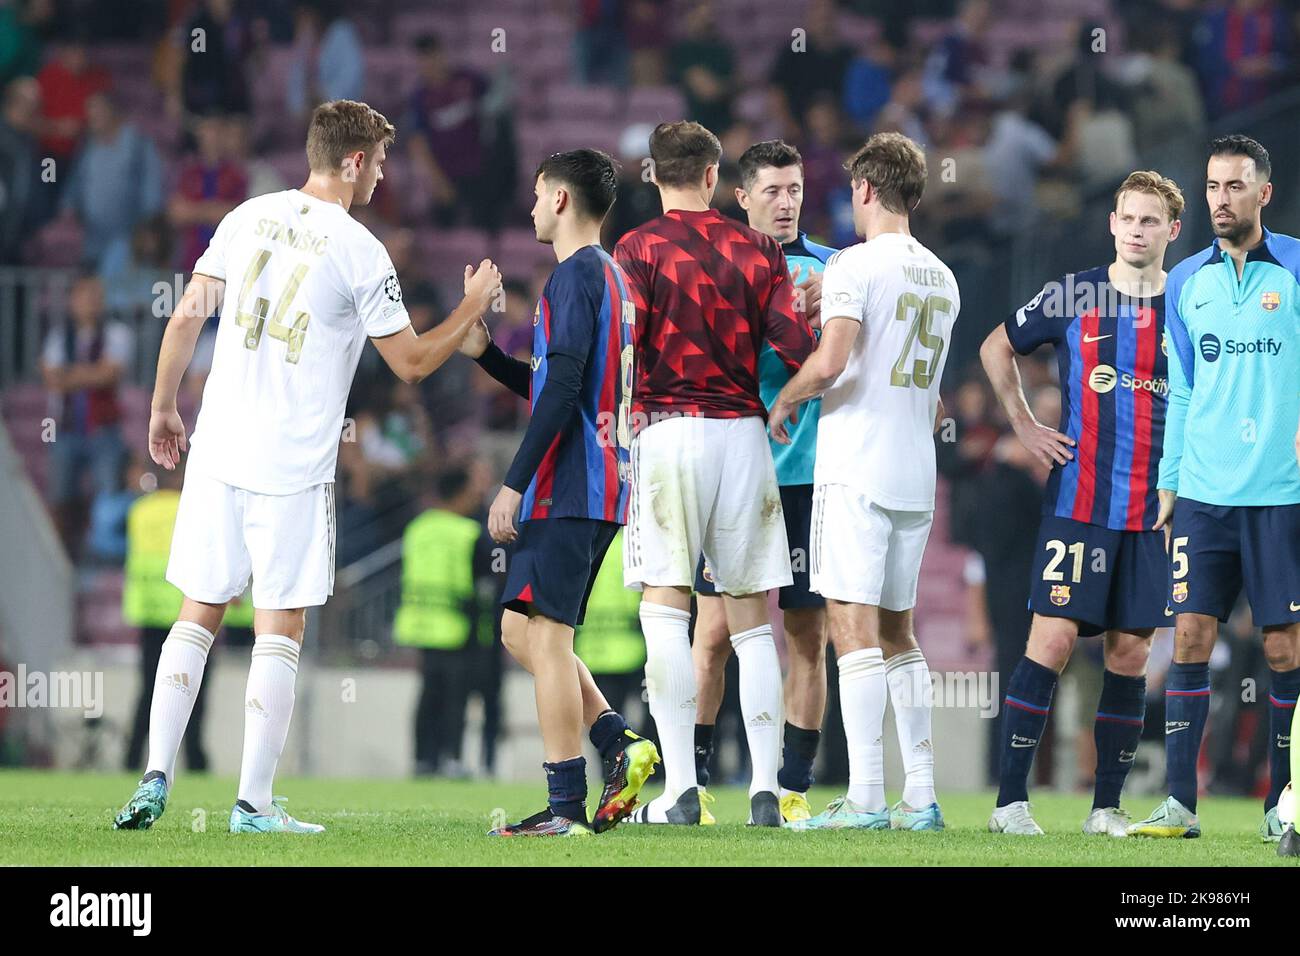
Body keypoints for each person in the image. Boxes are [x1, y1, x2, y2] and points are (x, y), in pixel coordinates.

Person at [113, 99, 501, 834]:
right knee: (279, 626)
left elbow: (186, 315)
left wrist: (164, 408)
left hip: (218, 449)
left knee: (197, 610)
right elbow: (413, 362)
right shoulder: (359, 250)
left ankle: (152, 777)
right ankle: (253, 804)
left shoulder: (245, 216)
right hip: (290, 464)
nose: (383, 175)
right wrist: (472, 304)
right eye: (380, 162)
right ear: (353, 161)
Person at [615, 121, 816, 826]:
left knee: (666, 610)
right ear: (711, 177)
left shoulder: (635, 249)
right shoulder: (760, 251)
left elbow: (625, 351)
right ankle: (766, 789)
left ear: (655, 175)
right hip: (744, 435)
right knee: (751, 622)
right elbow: (797, 351)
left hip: (667, 434)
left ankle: (680, 791)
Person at [458, 148, 660, 837]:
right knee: (521, 629)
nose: (534, 207)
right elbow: (557, 385)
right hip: (597, 480)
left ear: (563, 199)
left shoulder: (574, 277)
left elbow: (566, 388)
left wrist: (512, 484)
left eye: (540, 195)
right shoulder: (613, 280)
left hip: (570, 485)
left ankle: (567, 807)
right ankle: (618, 745)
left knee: (544, 637)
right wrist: (488, 355)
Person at [979, 170, 1186, 836]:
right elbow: (995, 345)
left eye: (1150, 221)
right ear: (1112, 224)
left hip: (1150, 516)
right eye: (1127, 218)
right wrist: (1022, 424)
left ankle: (1106, 809)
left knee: (1129, 656)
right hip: (1079, 505)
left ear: (1172, 231)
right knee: (1054, 639)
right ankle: (1011, 803)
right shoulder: (1076, 293)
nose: (1135, 230)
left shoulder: (1186, 305)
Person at [769, 131, 958, 832]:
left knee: (850, 631)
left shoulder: (852, 263)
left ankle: (868, 798)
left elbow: (831, 363)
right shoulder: (943, 274)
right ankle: (922, 797)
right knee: (898, 633)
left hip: (855, 469)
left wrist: (785, 399)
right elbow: (934, 397)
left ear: (868, 190)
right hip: (914, 472)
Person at [1131, 135, 1300, 842]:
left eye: (1234, 186)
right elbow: (1185, 390)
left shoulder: (1295, 267)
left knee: (1285, 649)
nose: (1220, 199)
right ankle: (1179, 804)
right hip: (1203, 493)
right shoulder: (1185, 283)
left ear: (1263, 192)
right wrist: (1169, 486)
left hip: (1280, 491)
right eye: (1210, 186)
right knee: (1191, 635)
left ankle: (1281, 804)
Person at [690, 140, 833, 825]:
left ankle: (794, 787)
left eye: (795, 188)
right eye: (772, 190)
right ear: (740, 197)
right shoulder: (716, 267)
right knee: (714, 631)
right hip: (735, 474)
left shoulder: (837, 271)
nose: (786, 201)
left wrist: (828, 312)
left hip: (810, 481)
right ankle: (693, 785)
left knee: (808, 633)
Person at [393, 465, 495, 777]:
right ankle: (451, 759)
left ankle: (423, 759)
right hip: (456, 625)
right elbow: (484, 581)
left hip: (420, 622)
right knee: (455, 697)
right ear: (461, 493)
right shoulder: (467, 532)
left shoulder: (418, 527)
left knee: (427, 694)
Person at [40, 273, 132, 558]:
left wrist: (72, 375)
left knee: (108, 497)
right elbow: (52, 380)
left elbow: (110, 375)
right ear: (72, 301)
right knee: (61, 497)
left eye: (95, 296)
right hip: (64, 428)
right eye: (84, 295)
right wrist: (92, 374)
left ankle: (103, 556)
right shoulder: (58, 335)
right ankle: (61, 556)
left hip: (104, 429)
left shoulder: (118, 333)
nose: (90, 302)